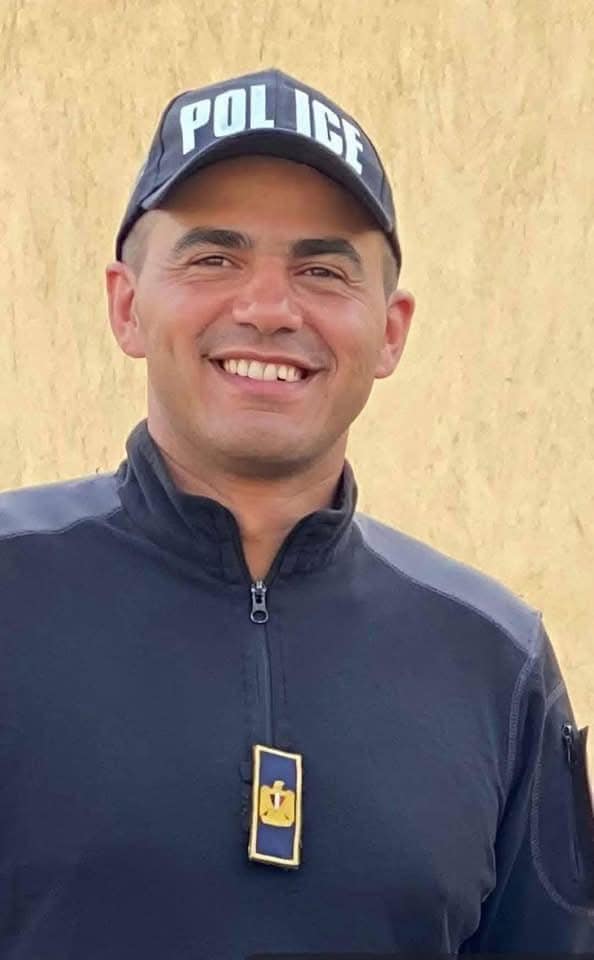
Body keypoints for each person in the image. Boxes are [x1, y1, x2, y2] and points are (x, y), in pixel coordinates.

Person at [1, 68, 593, 959]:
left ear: (390, 330)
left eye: (321, 269)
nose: (269, 310)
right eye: (214, 258)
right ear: (126, 305)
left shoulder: (497, 664)